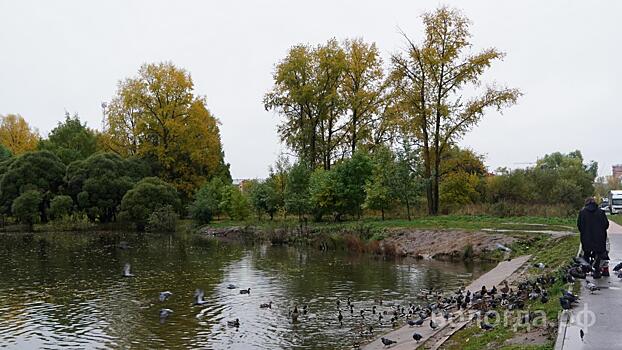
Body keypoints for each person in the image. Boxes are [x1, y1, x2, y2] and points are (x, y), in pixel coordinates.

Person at [578, 197, 609, 278]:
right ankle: (597, 271)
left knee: (586, 254)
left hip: (586, 238)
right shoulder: (601, 212)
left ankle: (584, 271)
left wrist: (584, 232)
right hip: (599, 238)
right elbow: (606, 224)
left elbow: (579, 226)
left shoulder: (582, 212)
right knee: (599, 254)